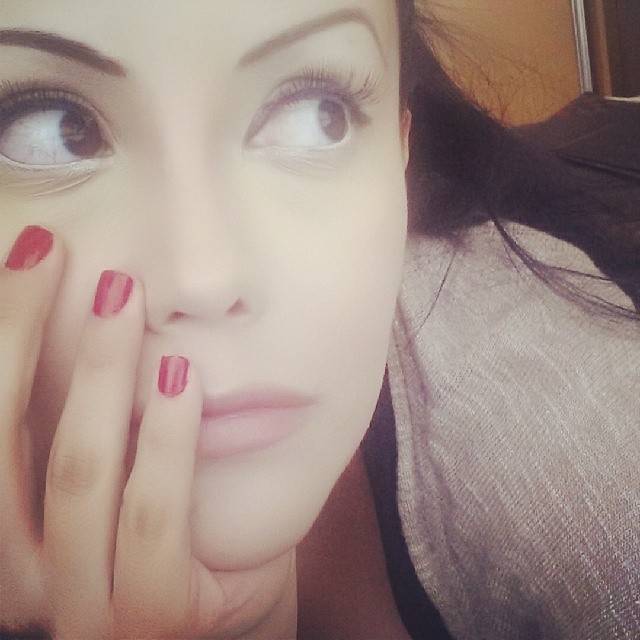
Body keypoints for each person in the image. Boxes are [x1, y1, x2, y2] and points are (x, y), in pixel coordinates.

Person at [0, 1, 637, 639]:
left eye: (316, 115)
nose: (204, 280)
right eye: (55, 131)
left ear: (400, 144)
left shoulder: (568, 422)